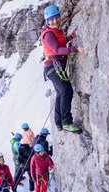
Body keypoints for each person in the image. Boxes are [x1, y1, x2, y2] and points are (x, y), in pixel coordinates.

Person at [41, 4, 84, 133]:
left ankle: (58, 123)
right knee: (66, 91)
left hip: (54, 67)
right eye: (52, 19)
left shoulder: (55, 31)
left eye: (56, 18)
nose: (55, 21)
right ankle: (66, 122)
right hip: (53, 68)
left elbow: (60, 42)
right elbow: (57, 49)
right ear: (47, 21)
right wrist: (74, 49)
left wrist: (69, 38)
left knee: (60, 93)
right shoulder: (48, 34)